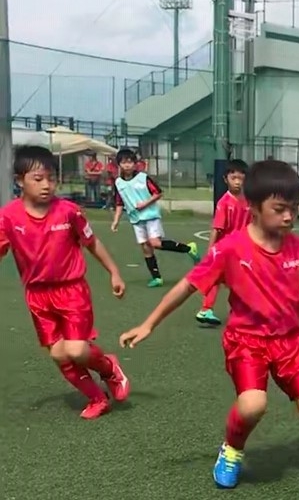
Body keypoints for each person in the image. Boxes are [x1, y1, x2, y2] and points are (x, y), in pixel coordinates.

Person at [118, 159, 299, 491]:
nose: (289, 216)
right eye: (280, 209)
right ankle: (231, 450)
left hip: (292, 343)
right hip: (247, 343)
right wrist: (149, 324)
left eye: (294, 208)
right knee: (252, 405)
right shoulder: (230, 248)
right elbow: (187, 286)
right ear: (253, 207)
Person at [0, 146, 130, 420]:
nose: (46, 185)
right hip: (37, 296)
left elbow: (92, 243)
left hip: (71, 292)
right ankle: (97, 398)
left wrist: (114, 272)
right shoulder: (8, 217)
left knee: (76, 349)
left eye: (51, 178)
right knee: (59, 354)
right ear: (19, 180)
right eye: (38, 179)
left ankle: (109, 369)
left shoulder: (69, 211)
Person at [111, 148, 200, 287]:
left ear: (135, 164)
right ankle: (157, 278)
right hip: (136, 219)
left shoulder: (143, 178)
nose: (127, 165)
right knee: (146, 248)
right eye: (123, 162)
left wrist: (145, 204)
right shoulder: (118, 183)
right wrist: (116, 220)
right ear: (119, 165)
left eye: (130, 162)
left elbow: (158, 193)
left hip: (150, 215)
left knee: (155, 243)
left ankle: (189, 248)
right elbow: (119, 202)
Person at [196, 159, 251, 326]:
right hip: (226, 249)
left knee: (235, 280)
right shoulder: (224, 203)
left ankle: (213, 310)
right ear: (225, 179)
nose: (237, 182)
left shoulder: (249, 202)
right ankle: (208, 309)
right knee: (222, 279)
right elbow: (217, 229)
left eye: (241, 178)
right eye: (234, 178)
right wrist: (210, 250)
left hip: (243, 249)